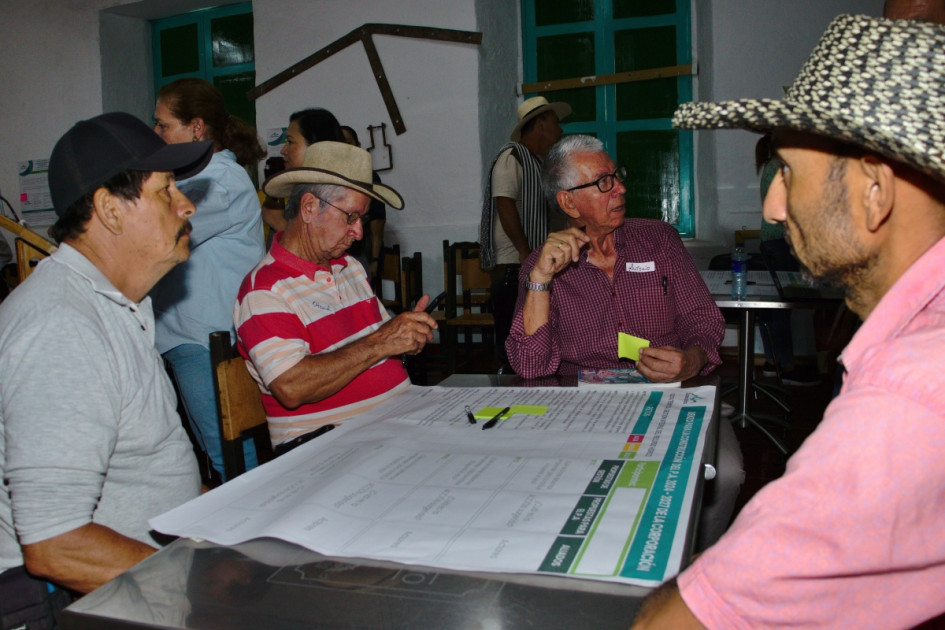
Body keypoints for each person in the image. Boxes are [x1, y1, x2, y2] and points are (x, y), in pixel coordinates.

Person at [633, 15, 945, 628]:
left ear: (876, 191)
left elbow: (683, 622)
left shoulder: (908, 397)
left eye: (789, 173)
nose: (774, 207)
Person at [0, 113, 211, 616]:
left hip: (138, 581)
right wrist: (193, 582)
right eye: (165, 190)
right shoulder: (62, 326)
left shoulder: (114, 304)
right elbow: (56, 544)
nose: (186, 205)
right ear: (110, 210)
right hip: (72, 604)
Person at [506, 134, 740, 549]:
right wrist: (540, 280)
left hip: (669, 394)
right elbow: (530, 366)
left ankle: (694, 559)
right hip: (584, 408)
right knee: (571, 479)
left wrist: (691, 359)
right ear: (568, 203)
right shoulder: (541, 267)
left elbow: (703, 319)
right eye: (603, 182)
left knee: (727, 473)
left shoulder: (659, 240)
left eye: (617, 176)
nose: (620, 188)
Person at [235, 141, 436, 451]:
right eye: (350, 217)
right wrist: (385, 340)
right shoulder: (263, 290)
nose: (358, 232)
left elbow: (380, 343)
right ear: (309, 208)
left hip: (393, 431)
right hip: (327, 450)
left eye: (362, 219)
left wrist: (407, 334)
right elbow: (292, 386)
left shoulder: (350, 267)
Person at [150, 78, 267, 482]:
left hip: (207, 337)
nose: (156, 133)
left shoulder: (220, 181)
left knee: (231, 455)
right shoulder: (195, 178)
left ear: (196, 127)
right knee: (216, 450)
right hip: (189, 335)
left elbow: (160, 240)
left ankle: (254, 519)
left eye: (164, 125)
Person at [479, 96, 571, 359]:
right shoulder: (512, 157)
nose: (561, 130)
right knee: (511, 336)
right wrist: (524, 251)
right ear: (540, 125)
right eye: (555, 123)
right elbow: (504, 204)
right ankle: (509, 379)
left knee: (535, 331)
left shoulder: (538, 163)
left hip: (530, 263)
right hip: (512, 266)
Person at [754, 135, 821, 386]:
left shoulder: (771, 167)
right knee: (782, 306)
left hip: (772, 241)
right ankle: (787, 366)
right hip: (781, 242)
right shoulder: (780, 167)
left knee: (775, 305)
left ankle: (773, 362)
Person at [261, 108, 344, 234]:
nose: (283, 150)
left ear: (316, 147)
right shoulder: (302, 189)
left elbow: (321, 243)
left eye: (290, 141)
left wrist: (278, 222)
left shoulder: (333, 196)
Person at [340, 124, 387, 283]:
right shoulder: (332, 179)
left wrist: (374, 259)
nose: (345, 148)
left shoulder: (369, 177)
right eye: (340, 143)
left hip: (363, 252)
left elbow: (377, 222)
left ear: (358, 146)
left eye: (348, 142)